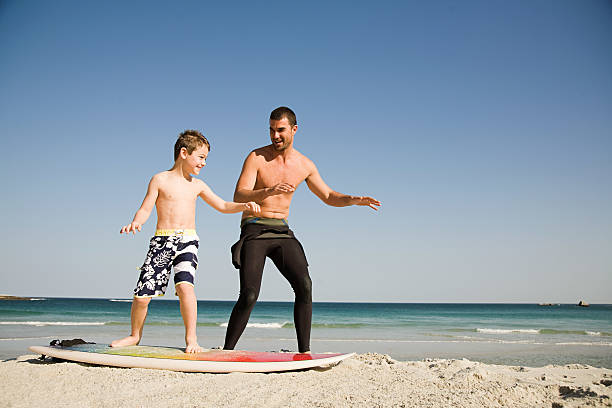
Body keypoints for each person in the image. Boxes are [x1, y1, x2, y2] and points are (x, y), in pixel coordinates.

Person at [224, 107, 381, 353]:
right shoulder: (256, 157)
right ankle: (227, 351)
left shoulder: (304, 165)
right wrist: (268, 191)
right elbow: (239, 194)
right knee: (250, 294)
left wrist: (352, 199)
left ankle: (304, 352)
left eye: (281, 130)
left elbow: (328, 195)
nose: (275, 135)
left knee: (305, 286)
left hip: (282, 231)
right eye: (271, 130)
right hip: (254, 229)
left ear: (294, 130)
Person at [111, 130, 260, 353]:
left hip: (187, 241)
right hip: (161, 241)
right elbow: (145, 208)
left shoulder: (197, 185)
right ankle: (135, 335)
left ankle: (191, 339)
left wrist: (243, 206)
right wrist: (136, 222)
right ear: (184, 153)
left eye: (205, 158)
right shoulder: (159, 179)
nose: (204, 163)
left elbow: (222, 205)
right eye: (201, 157)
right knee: (142, 296)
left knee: (185, 287)